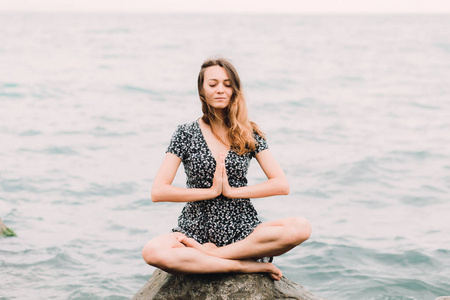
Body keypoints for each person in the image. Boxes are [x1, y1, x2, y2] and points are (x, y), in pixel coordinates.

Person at [142, 57, 311, 280]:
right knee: (152, 251)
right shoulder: (185, 133)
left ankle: (217, 256)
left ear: (235, 90)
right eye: (213, 84)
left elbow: (281, 184)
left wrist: (231, 191)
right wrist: (210, 192)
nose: (220, 90)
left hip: (243, 228)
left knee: (301, 227)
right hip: (194, 229)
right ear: (202, 91)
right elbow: (159, 191)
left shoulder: (249, 132)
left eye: (227, 84)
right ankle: (242, 266)